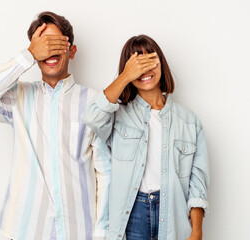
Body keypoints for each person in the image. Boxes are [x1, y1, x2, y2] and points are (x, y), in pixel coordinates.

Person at [0, 11, 110, 240]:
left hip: (79, 232)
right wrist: (28, 55)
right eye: (44, 44)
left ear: (72, 51)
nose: (50, 51)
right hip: (26, 230)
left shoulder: (94, 101)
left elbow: (105, 172)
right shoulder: (18, 97)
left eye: (56, 44)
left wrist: (102, 233)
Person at [82, 35, 209, 240]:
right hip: (133, 214)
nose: (144, 70)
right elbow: (92, 116)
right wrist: (125, 76)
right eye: (137, 64)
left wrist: (196, 231)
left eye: (149, 61)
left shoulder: (190, 122)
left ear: (162, 64)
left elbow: (198, 184)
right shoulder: (118, 116)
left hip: (173, 216)